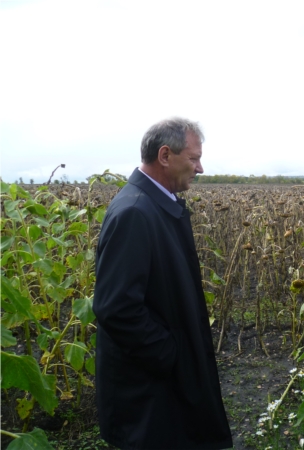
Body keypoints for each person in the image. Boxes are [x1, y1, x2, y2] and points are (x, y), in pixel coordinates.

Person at [93, 117, 233, 450]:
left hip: (158, 388)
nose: (200, 168)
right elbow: (116, 308)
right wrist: (171, 354)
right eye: (194, 158)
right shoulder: (135, 212)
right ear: (166, 155)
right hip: (147, 394)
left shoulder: (154, 206)